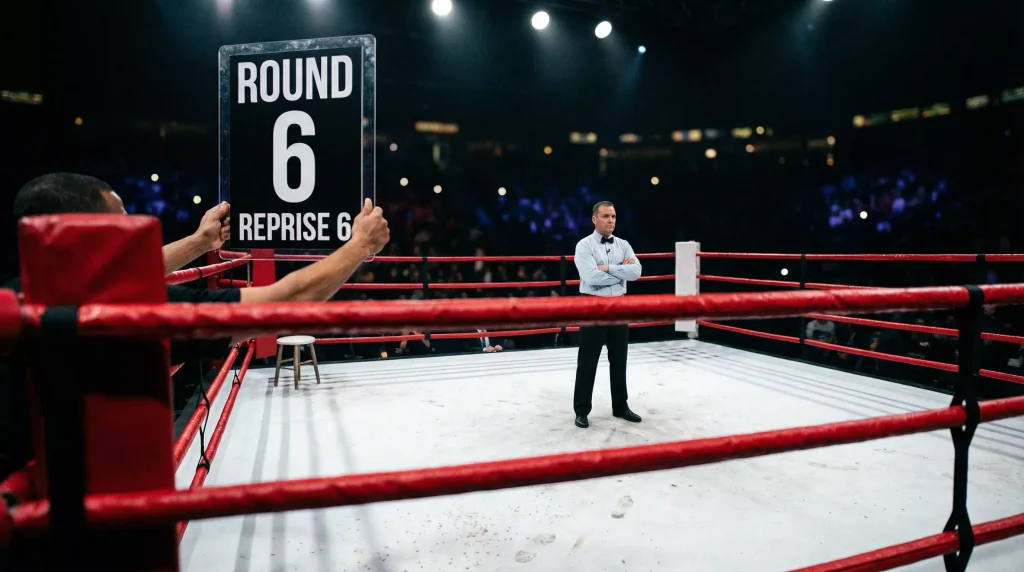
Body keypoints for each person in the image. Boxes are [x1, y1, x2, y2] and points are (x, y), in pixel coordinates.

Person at [0, 172, 389, 481]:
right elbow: (283, 301)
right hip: (83, 528)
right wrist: (358, 246)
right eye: (118, 224)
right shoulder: (128, 313)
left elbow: (123, 269)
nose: (132, 233)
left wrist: (199, 241)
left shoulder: (16, 294)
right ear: (81, 236)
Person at [571, 201, 642, 428]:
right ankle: (581, 410)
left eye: (613, 216)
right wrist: (622, 272)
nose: (610, 220)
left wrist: (609, 268)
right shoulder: (584, 246)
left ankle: (620, 406)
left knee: (619, 358)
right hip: (593, 305)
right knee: (588, 359)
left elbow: (637, 271)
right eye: (605, 216)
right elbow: (591, 278)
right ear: (594, 219)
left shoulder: (623, 244)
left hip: (619, 306)